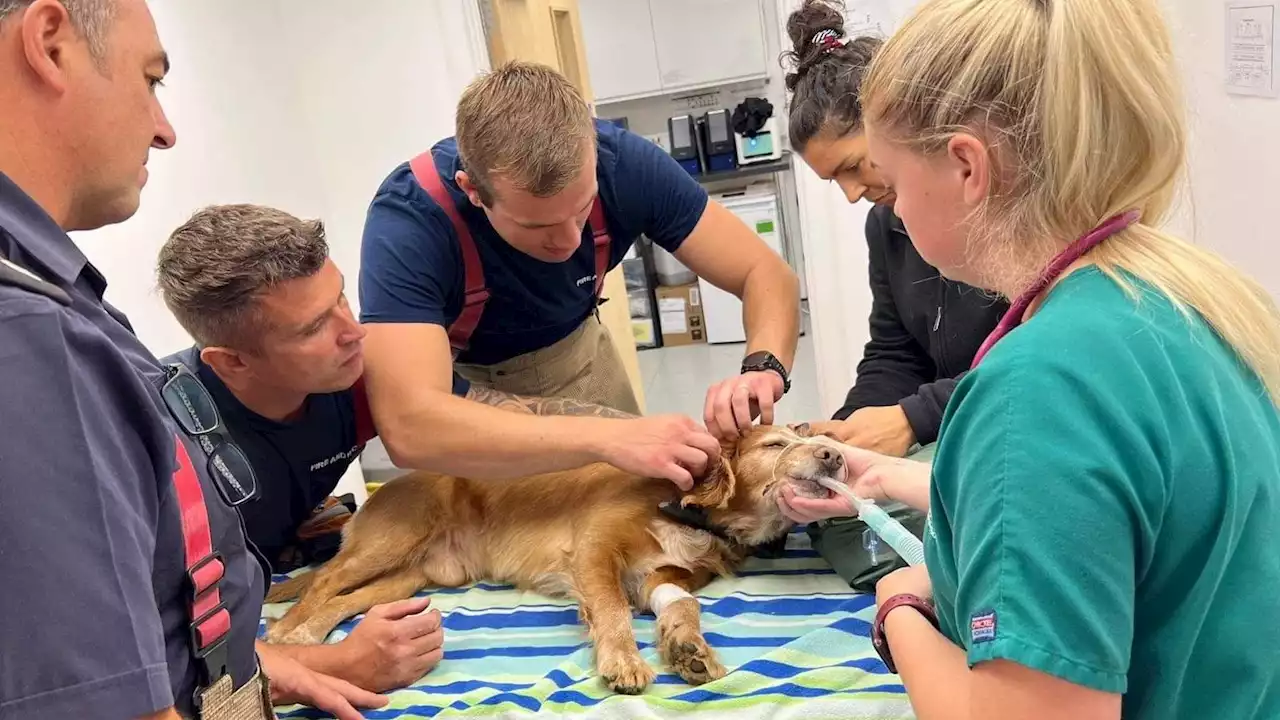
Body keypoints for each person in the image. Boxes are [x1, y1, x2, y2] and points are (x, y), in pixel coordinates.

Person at [780, 0, 1280, 717]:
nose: (882, 208)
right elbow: (1122, 513)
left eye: (887, 177)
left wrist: (900, 612)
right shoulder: (1189, 303)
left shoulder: (1037, 390)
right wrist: (893, 478)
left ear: (964, 167)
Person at [0, 2, 399, 718]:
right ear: (50, 43)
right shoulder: (28, 334)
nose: (165, 128)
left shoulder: (49, 299)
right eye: (150, 79)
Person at [358, 61, 802, 489]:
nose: (570, 241)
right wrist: (606, 437)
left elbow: (764, 272)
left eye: (582, 209)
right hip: (467, 404)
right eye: (538, 226)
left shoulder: (624, 164)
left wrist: (763, 367)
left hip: (579, 360)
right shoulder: (410, 221)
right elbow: (410, 426)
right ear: (472, 190)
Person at [156, 203, 445, 693]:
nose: (354, 332)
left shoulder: (354, 370)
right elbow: (145, 647)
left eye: (342, 298)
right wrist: (338, 663)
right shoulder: (161, 442)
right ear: (232, 363)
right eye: (314, 328)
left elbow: (485, 422)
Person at [781, 0, 1007, 457]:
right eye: (833, 181)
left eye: (854, 166)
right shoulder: (885, 226)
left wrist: (914, 418)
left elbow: (1038, 364)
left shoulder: (1006, 218)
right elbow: (896, 352)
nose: (850, 194)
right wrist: (846, 434)